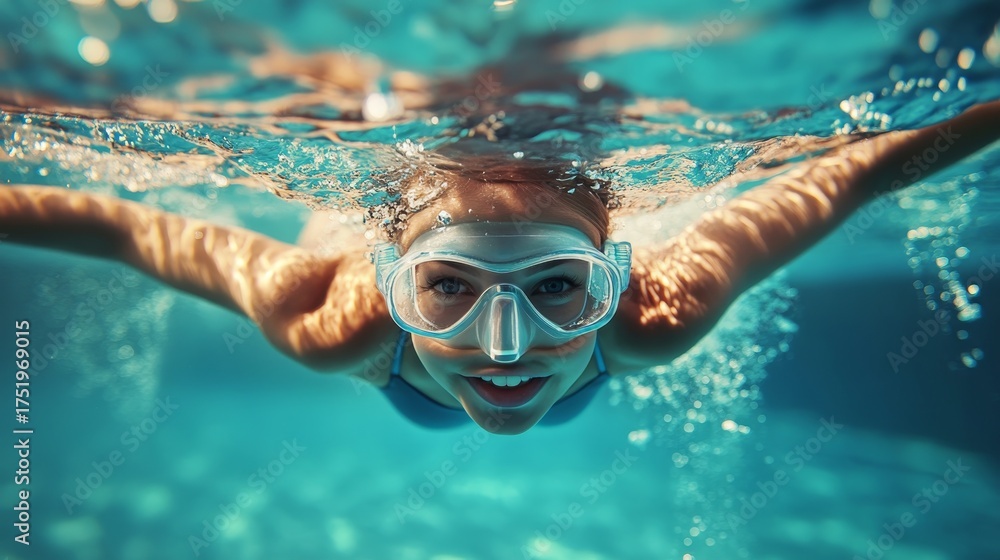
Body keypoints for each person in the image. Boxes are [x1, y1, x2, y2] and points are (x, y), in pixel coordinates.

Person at [2, 99, 998, 434]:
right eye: (447, 285)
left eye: (558, 284)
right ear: (394, 281)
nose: (503, 348)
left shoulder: (658, 309)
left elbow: (849, 179)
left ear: (612, 272)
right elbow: (128, 226)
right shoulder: (329, 308)